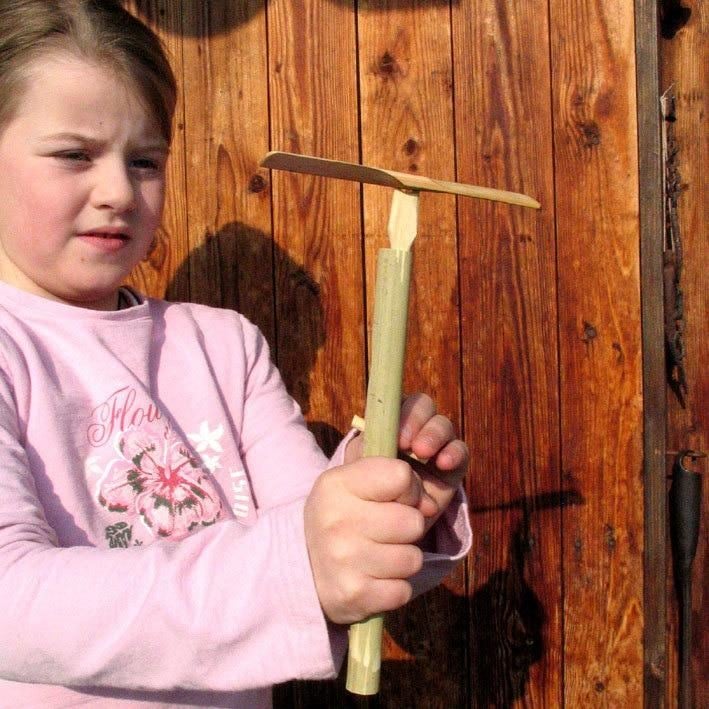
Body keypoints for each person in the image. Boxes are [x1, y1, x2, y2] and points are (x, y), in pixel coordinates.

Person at [0, 1, 471, 706]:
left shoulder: (221, 344)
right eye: (74, 154)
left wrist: (381, 490)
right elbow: (15, 605)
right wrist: (296, 564)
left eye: (145, 161)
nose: (119, 192)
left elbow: (308, 529)